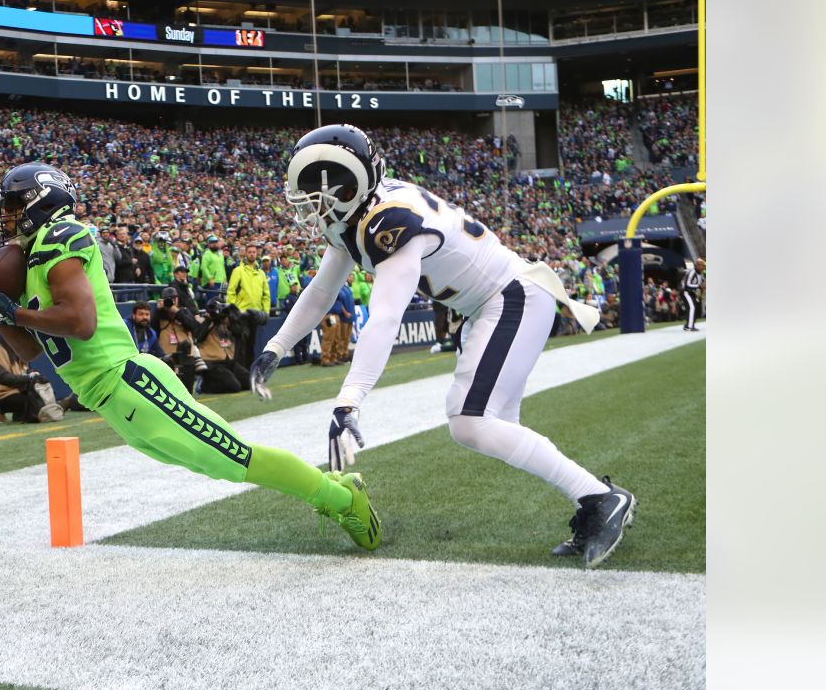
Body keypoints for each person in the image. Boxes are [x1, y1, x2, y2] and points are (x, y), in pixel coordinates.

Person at [252, 124, 630, 568]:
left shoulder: (388, 222)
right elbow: (321, 290)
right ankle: (596, 500)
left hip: (511, 297)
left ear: (348, 185)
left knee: (471, 421)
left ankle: (602, 499)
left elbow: (387, 316)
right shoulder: (358, 214)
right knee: (488, 426)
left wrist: (349, 400)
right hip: (492, 305)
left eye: (318, 194)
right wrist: (276, 346)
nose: (312, 205)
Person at [0, 162, 380, 550]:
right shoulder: (33, 257)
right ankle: (338, 493)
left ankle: (341, 497)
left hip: (128, 381)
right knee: (217, 464)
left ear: (43, 200)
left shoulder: (61, 235)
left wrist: (14, 311)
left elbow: (80, 321)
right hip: (109, 399)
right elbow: (30, 348)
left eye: (13, 203)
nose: (6, 213)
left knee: (235, 456)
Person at [0, 337, 65, 423]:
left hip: (18, 390)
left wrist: (34, 376)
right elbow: (2, 378)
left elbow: (24, 372)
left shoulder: (17, 351)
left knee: (39, 397)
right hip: (1, 394)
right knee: (33, 402)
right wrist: (29, 377)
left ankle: (20, 414)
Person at [194, 299, 251, 394]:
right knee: (234, 387)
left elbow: (241, 333)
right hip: (213, 364)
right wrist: (210, 321)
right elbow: (198, 338)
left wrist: (229, 320)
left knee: (250, 382)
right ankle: (204, 385)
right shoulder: (203, 321)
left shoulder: (226, 322)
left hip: (229, 363)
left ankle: (225, 379)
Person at [681, 258, 703, 331]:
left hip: (692, 293)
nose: (702, 267)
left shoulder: (700, 273)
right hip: (686, 292)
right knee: (692, 307)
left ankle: (689, 324)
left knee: (696, 308)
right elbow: (687, 285)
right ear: (696, 265)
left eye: (702, 266)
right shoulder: (692, 272)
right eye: (700, 265)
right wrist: (699, 286)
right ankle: (689, 327)